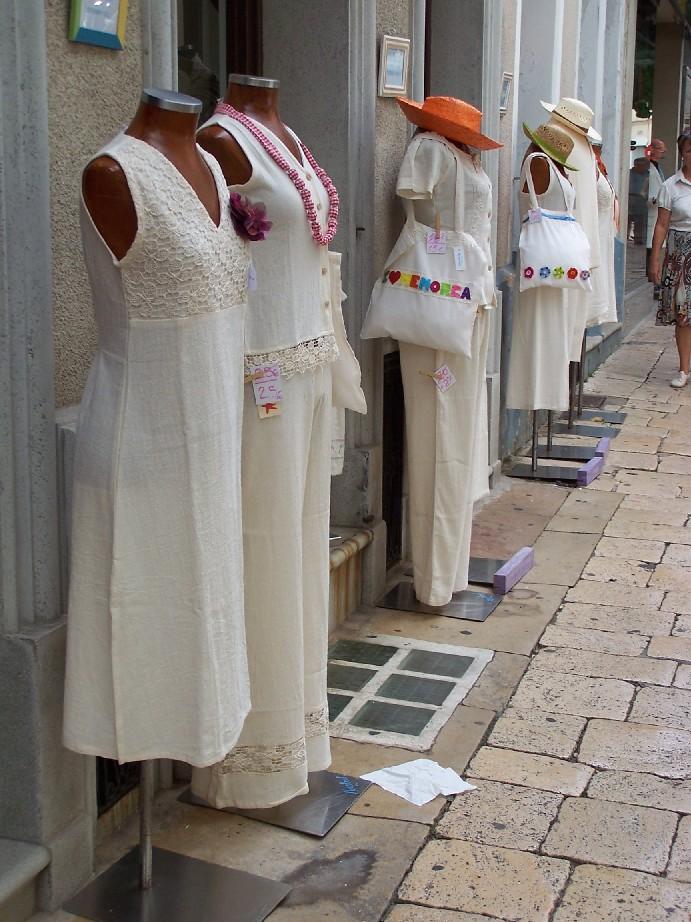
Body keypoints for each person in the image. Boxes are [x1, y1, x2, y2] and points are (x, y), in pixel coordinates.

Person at [649, 131, 691, 388]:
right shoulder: (670, 186)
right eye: (688, 150)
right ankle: (684, 369)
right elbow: (661, 225)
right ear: (682, 153)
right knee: (684, 313)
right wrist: (655, 258)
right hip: (680, 254)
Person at [646, 138, 667, 282]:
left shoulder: (658, 167)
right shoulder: (647, 167)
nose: (663, 152)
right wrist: (654, 199)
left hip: (656, 213)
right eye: (660, 149)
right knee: (651, 249)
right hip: (650, 212)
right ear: (652, 149)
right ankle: (652, 279)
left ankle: (655, 280)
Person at [628, 156, 649, 245]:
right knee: (626, 220)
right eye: (640, 165)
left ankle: (639, 239)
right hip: (629, 198)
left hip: (641, 200)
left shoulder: (648, 174)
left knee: (640, 221)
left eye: (645, 165)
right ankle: (625, 236)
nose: (643, 167)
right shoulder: (628, 173)